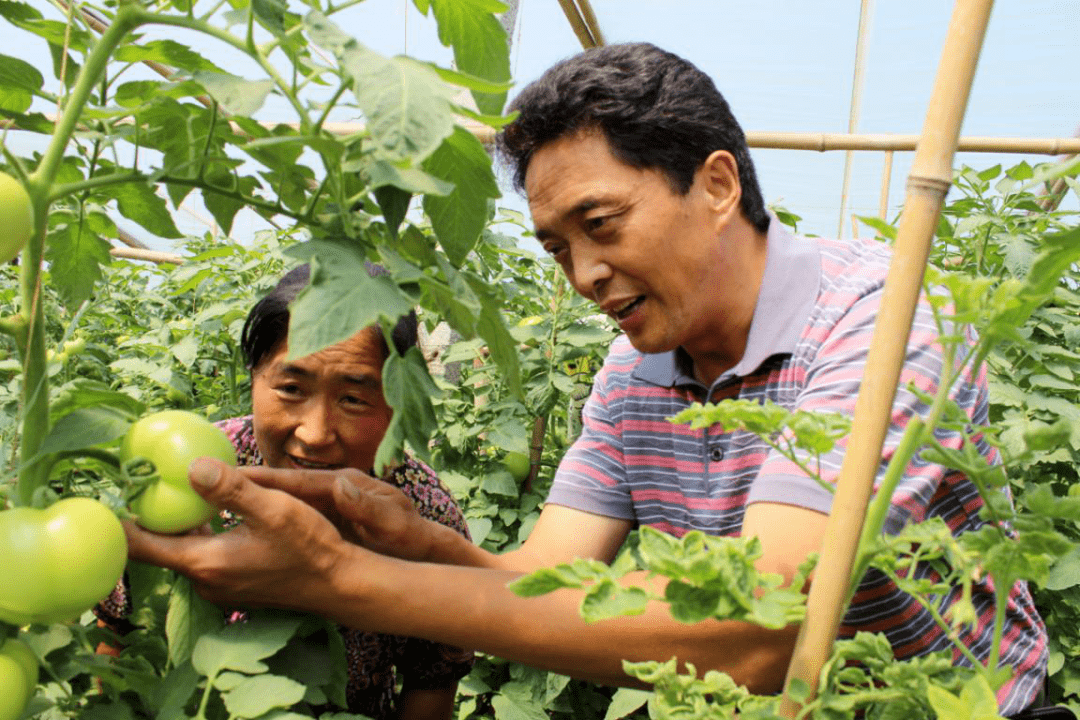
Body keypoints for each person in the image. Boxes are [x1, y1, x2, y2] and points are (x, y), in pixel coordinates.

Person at [124, 43, 1047, 714]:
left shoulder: (879, 321)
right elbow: (541, 586)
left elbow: (757, 633)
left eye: (602, 224)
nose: (585, 274)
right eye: (558, 247)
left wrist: (336, 576)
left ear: (718, 186)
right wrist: (420, 545)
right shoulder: (634, 365)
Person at [100, 264, 474, 720]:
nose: (315, 434)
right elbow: (116, 638)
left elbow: (432, 680)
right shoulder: (191, 472)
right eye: (291, 388)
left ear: (399, 402)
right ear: (255, 378)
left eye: (353, 399)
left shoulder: (423, 517)